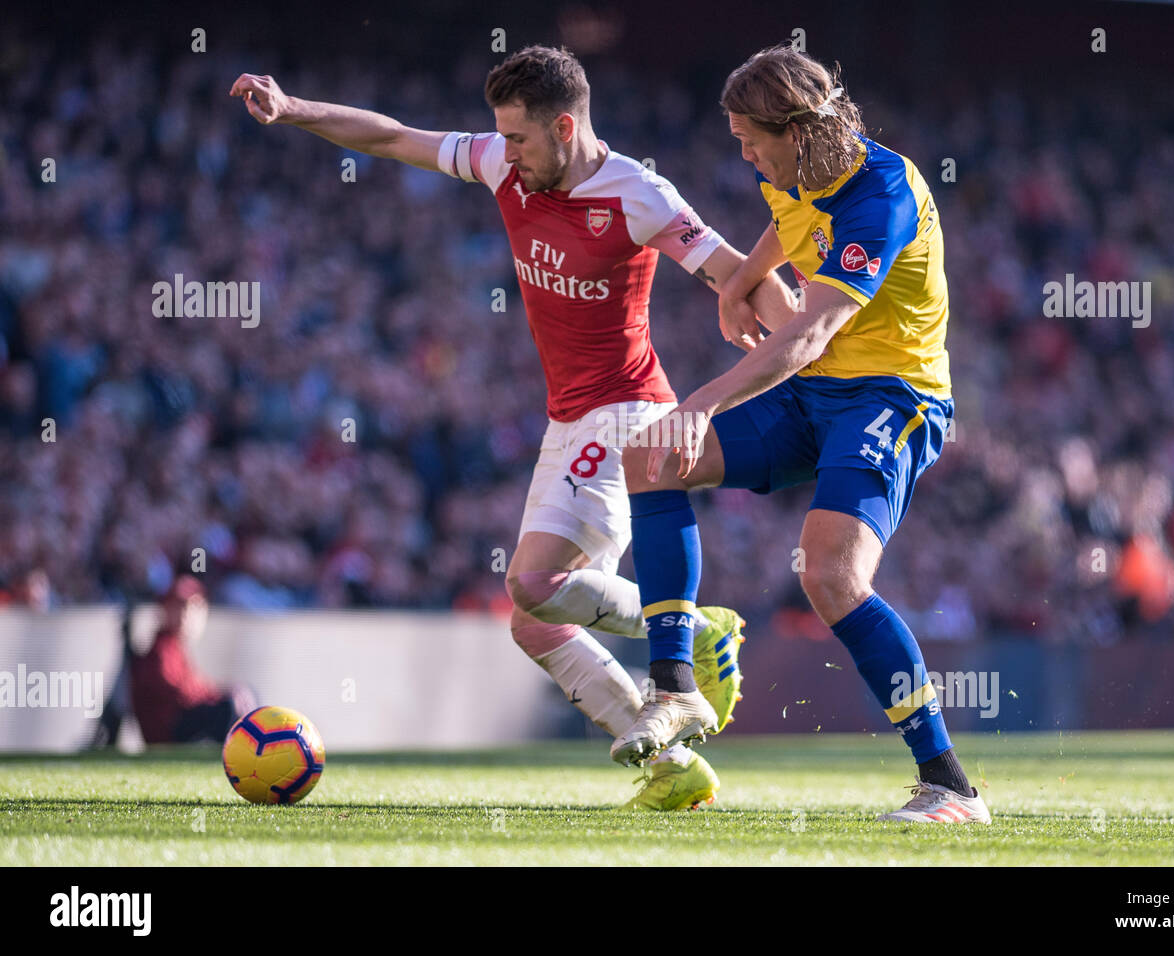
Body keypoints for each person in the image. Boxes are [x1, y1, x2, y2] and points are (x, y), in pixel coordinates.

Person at [230, 45, 794, 809]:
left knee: (532, 582)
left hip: (629, 410)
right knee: (533, 622)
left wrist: (795, 334)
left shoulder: (638, 194)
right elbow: (394, 138)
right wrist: (296, 109)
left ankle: (690, 631)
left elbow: (736, 269)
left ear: (565, 126)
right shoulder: (502, 163)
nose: (508, 153)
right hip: (567, 419)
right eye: (502, 138)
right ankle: (673, 768)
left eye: (521, 139)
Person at [614, 44, 992, 824]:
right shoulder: (793, 167)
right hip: (816, 395)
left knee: (828, 573)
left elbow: (812, 333)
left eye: (751, 139)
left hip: (892, 397)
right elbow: (789, 223)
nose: (743, 154)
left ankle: (950, 785)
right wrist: (747, 278)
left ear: (797, 130)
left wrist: (702, 403)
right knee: (650, 458)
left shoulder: (882, 194)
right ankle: (676, 687)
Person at [123, 575, 255, 745]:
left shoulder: (176, 647)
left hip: (177, 724)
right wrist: (221, 696)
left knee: (241, 695)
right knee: (228, 707)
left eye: (194, 609)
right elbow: (179, 693)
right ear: (165, 610)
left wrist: (227, 692)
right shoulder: (160, 649)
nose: (187, 615)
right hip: (167, 734)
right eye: (180, 608)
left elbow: (194, 688)